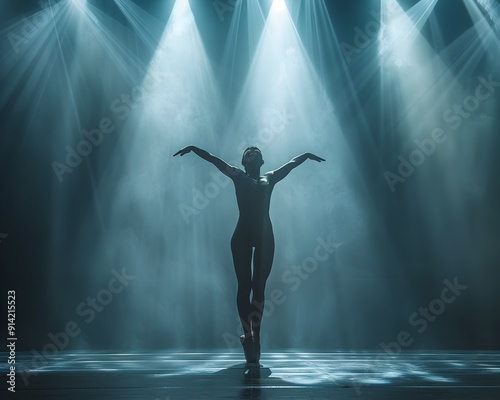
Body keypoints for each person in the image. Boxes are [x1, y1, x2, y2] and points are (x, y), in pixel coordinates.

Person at [173, 145, 325, 364]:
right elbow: (215, 159)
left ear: (262, 161)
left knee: (259, 287)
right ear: (244, 162)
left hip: (264, 235)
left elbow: (291, 164)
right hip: (242, 235)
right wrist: (194, 149)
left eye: (256, 151)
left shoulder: (270, 177)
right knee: (244, 286)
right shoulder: (238, 176)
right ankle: (248, 334)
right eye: (248, 152)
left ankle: (256, 335)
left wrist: (307, 155)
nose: (253, 151)